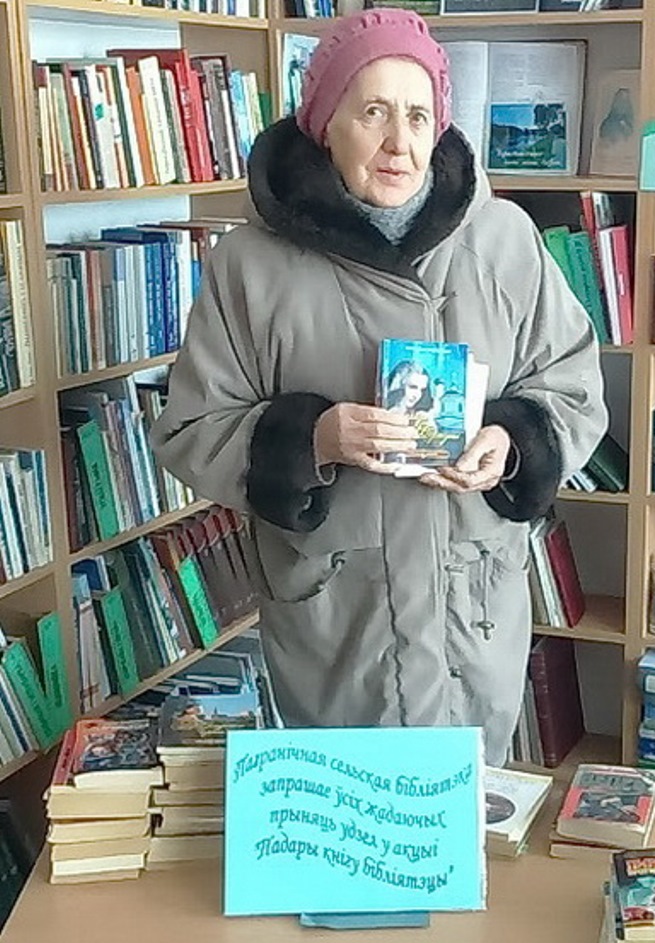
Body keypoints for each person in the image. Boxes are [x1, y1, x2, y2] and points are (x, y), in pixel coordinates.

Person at [150, 8, 607, 766]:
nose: (400, 141)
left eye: (419, 115)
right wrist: (314, 440)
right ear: (325, 123)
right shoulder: (249, 266)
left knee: (461, 813)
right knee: (349, 820)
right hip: (339, 625)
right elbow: (191, 428)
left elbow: (573, 387)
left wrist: (511, 441)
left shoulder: (504, 241)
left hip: (471, 615)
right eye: (373, 112)